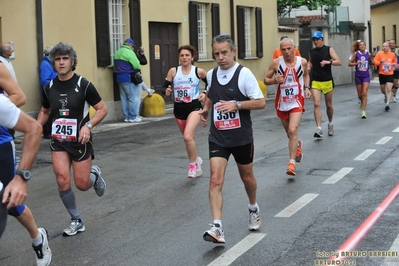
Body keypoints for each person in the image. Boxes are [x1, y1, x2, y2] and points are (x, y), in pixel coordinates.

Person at [199, 34, 265, 243]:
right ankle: (217, 227)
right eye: (216, 53)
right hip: (218, 136)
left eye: (224, 52)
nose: (220, 57)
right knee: (215, 179)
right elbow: (211, 92)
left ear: (234, 51)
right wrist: (206, 109)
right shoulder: (211, 74)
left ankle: (253, 208)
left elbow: (260, 102)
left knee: (247, 178)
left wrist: (236, 104)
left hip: (241, 137)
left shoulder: (244, 74)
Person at [36, 42, 108, 237]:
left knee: (82, 184)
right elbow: (45, 110)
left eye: (65, 59)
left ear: (72, 61)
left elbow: (102, 109)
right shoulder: (49, 87)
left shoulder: (83, 85)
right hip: (58, 140)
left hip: (80, 141)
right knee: (62, 179)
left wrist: (88, 126)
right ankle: (76, 219)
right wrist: (35, 127)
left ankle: (94, 174)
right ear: (53, 62)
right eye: (57, 59)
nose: (61, 63)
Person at [0, 63, 51, 265]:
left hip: (1, 143)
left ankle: (38, 239)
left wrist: (5, 112)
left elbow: (20, 97)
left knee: (11, 202)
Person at [264, 38, 311, 176]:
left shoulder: (302, 62)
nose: (286, 52)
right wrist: (273, 80)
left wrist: (307, 88)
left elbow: (307, 75)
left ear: (294, 48)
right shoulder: (276, 63)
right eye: (283, 49)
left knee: (292, 129)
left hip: (297, 100)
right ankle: (297, 145)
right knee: (290, 134)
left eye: (289, 48)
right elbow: (265, 80)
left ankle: (291, 164)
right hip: (282, 102)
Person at [163, 45, 207, 178]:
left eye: (187, 55)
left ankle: (192, 165)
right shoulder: (173, 71)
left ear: (192, 57)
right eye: (182, 55)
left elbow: (211, 84)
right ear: (179, 57)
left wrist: (204, 93)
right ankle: (197, 160)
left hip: (194, 106)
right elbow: (165, 87)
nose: (184, 58)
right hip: (179, 108)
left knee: (187, 136)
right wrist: (167, 91)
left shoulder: (198, 71)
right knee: (188, 139)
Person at [308, 31, 342, 138]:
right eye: (314, 39)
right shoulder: (311, 51)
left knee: (329, 105)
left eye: (317, 39)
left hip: (327, 80)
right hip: (316, 81)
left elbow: (339, 61)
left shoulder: (329, 49)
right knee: (316, 104)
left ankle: (330, 124)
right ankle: (319, 129)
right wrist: (308, 67)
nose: (315, 41)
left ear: (322, 39)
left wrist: (329, 62)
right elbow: (310, 61)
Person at [114, 38, 153, 123]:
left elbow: (115, 65)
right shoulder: (130, 52)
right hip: (129, 77)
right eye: (133, 47)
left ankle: (126, 117)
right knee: (133, 98)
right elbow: (137, 66)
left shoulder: (117, 52)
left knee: (123, 98)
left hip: (119, 78)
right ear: (131, 45)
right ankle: (133, 117)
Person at [0, 42, 22, 144]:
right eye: (10, 49)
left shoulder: (7, 61)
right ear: (5, 51)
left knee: (11, 114)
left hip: (12, 93)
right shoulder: (1, 61)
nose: (12, 51)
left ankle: (11, 136)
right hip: (5, 94)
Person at [348, 41, 373, 118]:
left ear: (365, 46)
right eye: (360, 45)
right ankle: (360, 100)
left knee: (364, 93)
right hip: (358, 76)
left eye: (363, 45)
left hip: (366, 75)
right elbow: (349, 64)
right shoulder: (356, 54)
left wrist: (374, 61)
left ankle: (363, 111)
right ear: (358, 47)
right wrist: (356, 63)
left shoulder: (368, 54)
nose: (362, 46)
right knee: (360, 95)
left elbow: (372, 63)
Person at [39, 46, 58, 139]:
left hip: (53, 90)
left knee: (52, 112)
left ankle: (50, 131)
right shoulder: (45, 64)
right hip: (49, 92)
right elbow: (44, 80)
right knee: (47, 111)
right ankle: (46, 132)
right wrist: (53, 87)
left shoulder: (50, 64)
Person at [374, 41, 398, 111]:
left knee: (389, 89)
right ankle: (385, 95)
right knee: (382, 89)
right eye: (383, 46)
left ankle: (387, 104)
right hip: (382, 74)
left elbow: (395, 62)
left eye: (386, 46)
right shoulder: (379, 54)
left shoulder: (392, 54)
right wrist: (380, 62)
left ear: (388, 47)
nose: (384, 48)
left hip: (390, 74)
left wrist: (394, 64)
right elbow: (375, 63)